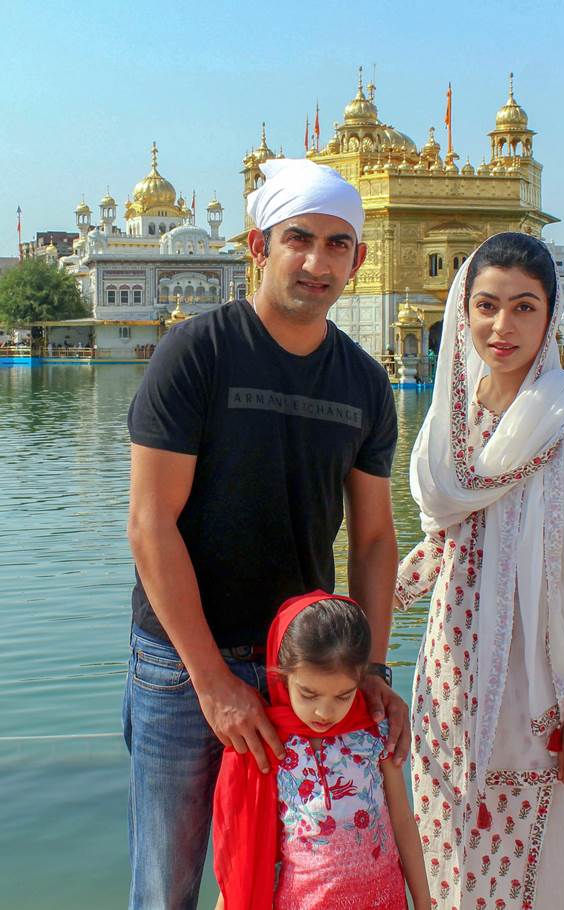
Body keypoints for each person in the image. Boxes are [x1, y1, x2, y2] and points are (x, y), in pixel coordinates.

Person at [124, 158, 409, 910]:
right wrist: (214, 683)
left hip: (304, 673)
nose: (318, 263)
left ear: (359, 258)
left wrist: (371, 669)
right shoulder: (198, 354)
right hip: (184, 665)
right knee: (168, 880)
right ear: (258, 245)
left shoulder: (363, 383)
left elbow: (376, 538)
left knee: (293, 878)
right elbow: (150, 524)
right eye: (299, 239)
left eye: (338, 245)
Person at [394, 233, 564, 909]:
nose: (500, 326)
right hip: (449, 678)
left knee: (537, 862)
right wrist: (361, 608)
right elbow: (451, 547)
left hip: (543, 688)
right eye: (485, 305)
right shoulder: (449, 423)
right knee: (443, 847)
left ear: (550, 315)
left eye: (522, 308)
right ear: (463, 311)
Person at [213, 591, 431, 910]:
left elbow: (402, 821)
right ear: (282, 675)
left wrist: (424, 903)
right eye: (309, 694)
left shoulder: (374, 732)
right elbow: (245, 849)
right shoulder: (269, 744)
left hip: (381, 899)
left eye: (343, 696)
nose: (324, 712)